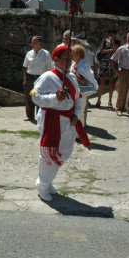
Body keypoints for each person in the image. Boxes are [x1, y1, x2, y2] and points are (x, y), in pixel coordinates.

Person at [31, 45, 89, 202]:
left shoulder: (71, 77)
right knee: (49, 153)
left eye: (70, 58)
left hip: (68, 120)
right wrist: (55, 98)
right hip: (51, 119)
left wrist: (77, 114)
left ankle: (47, 181)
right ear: (55, 60)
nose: (69, 61)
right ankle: (42, 185)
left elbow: (77, 98)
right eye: (65, 58)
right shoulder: (47, 77)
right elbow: (34, 96)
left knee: (64, 151)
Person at [22, 36, 54, 121]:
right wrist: (25, 78)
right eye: (31, 42)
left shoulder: (46, 54)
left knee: (39, 97)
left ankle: (40, 116)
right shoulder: (29, 53)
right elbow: (25, 66)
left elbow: (50, 68)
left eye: (34, 42)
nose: (31, 44)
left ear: (40, 43)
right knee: (29, 97)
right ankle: (30, 116)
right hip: (30, 77)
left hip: (41, 78)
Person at [71, 44, 99, 126]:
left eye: (73, 53)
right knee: (75, 111)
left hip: (81, 92)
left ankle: (79, 133)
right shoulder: (74, 64)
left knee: (80, 112)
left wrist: (75, 73)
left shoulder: (83, 65)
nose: (71, 55)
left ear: (78, 54)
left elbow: (83, 81)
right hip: (75, 91)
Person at [95, 30, 118, 109]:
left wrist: (112, 42)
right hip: (104, 63)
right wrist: (111, 50)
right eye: (111, 34)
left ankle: (110, 101)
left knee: (111, 83)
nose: (112, 35)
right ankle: (98, 100)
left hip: (112, 64)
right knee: (102, 82)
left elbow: (116, 50)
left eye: (114, 34)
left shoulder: (117, 42)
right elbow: (102, 50)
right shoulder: (105, 41)